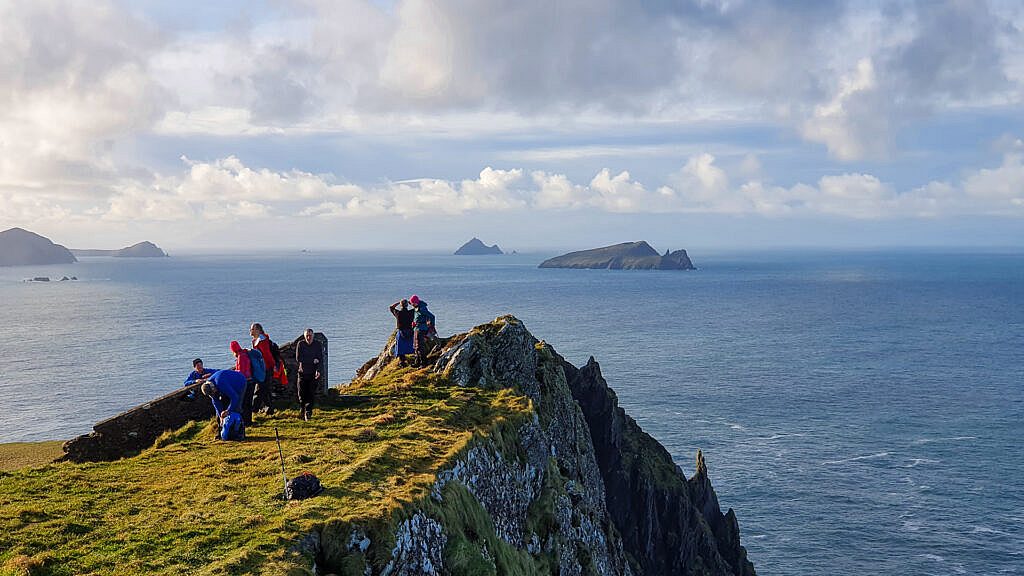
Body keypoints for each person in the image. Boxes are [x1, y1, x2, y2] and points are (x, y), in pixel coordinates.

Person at [200, 369, 247, 441]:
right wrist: (220, 415)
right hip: (227, 386)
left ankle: (239, 433)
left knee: (236, 409)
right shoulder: (210, 387)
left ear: (213, 387)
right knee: (221, 412)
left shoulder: (220, 382)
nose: (214, 394)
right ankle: (221, 432)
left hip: (239, 383)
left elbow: (235, 397)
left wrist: (228, 410)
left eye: (213, 392)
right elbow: (215, 401)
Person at [294, 328, 323, 421]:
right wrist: (312, 360)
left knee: (311, 394)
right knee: (301, 394)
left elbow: (320, 359)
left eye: (310, 335)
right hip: (302, 373)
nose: (308, 337)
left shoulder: (317, 344)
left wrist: (318, 370)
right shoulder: (300, 344)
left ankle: (308, 412)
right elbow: (299, 358)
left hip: (313, 373)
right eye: (307, 335)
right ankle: (302, 410)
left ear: (313, 336)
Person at [250, 323, 276, 416]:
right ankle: (269, 409)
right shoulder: (255, 341)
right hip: (261, 369)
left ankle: (254, 409)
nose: (250, 331)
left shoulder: (262, 341)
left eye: (252, 329)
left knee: (260, 389)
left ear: (258, 330)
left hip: (265, 369)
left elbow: (267, 355)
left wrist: (272, 366)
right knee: (264, 389)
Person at [230, 340, 256, 425]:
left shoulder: (241, 356)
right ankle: (248, 420)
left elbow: (241, 372)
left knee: (244, 402)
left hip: (246, 382)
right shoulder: (244, 354)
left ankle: (246, 421)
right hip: (250, 380)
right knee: (248, 402)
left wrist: (233, 373)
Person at [410, 294, 436, 367]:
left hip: (421, 329)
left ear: (416, 302)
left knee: (420, 346)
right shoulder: (417, 306)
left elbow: (432, 316)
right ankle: (417, 362)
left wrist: (432, 326)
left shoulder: (422, 309)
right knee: (416, 346)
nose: (412, 305)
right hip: (416, 328)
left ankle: (423, 363)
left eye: (412, 303)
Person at [389, 299, 415, 365]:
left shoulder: (398, 313)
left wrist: (398, 302)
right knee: (411, 346)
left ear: (401, 305)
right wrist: (410, 303)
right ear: (407, 305)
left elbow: (391, 307)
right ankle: (415, 358)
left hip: (401, 332)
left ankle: (402, 361)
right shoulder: (411, 312)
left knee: (401, 347)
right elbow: (417, 308)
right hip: (410, 331)